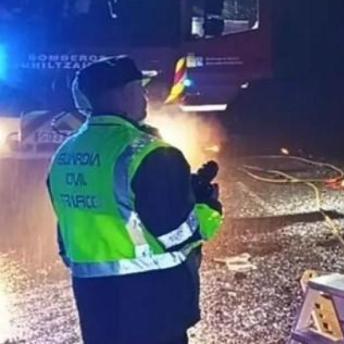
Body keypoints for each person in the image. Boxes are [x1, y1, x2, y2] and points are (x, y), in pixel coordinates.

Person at [47, 56, 223, 344]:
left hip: (94, 304)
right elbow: (179, 235)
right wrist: (208, 206)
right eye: (139, 89)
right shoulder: (150, 153)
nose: (144, 97)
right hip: (152, 303)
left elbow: (70, 233)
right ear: (122, 94)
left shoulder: (64, 155)